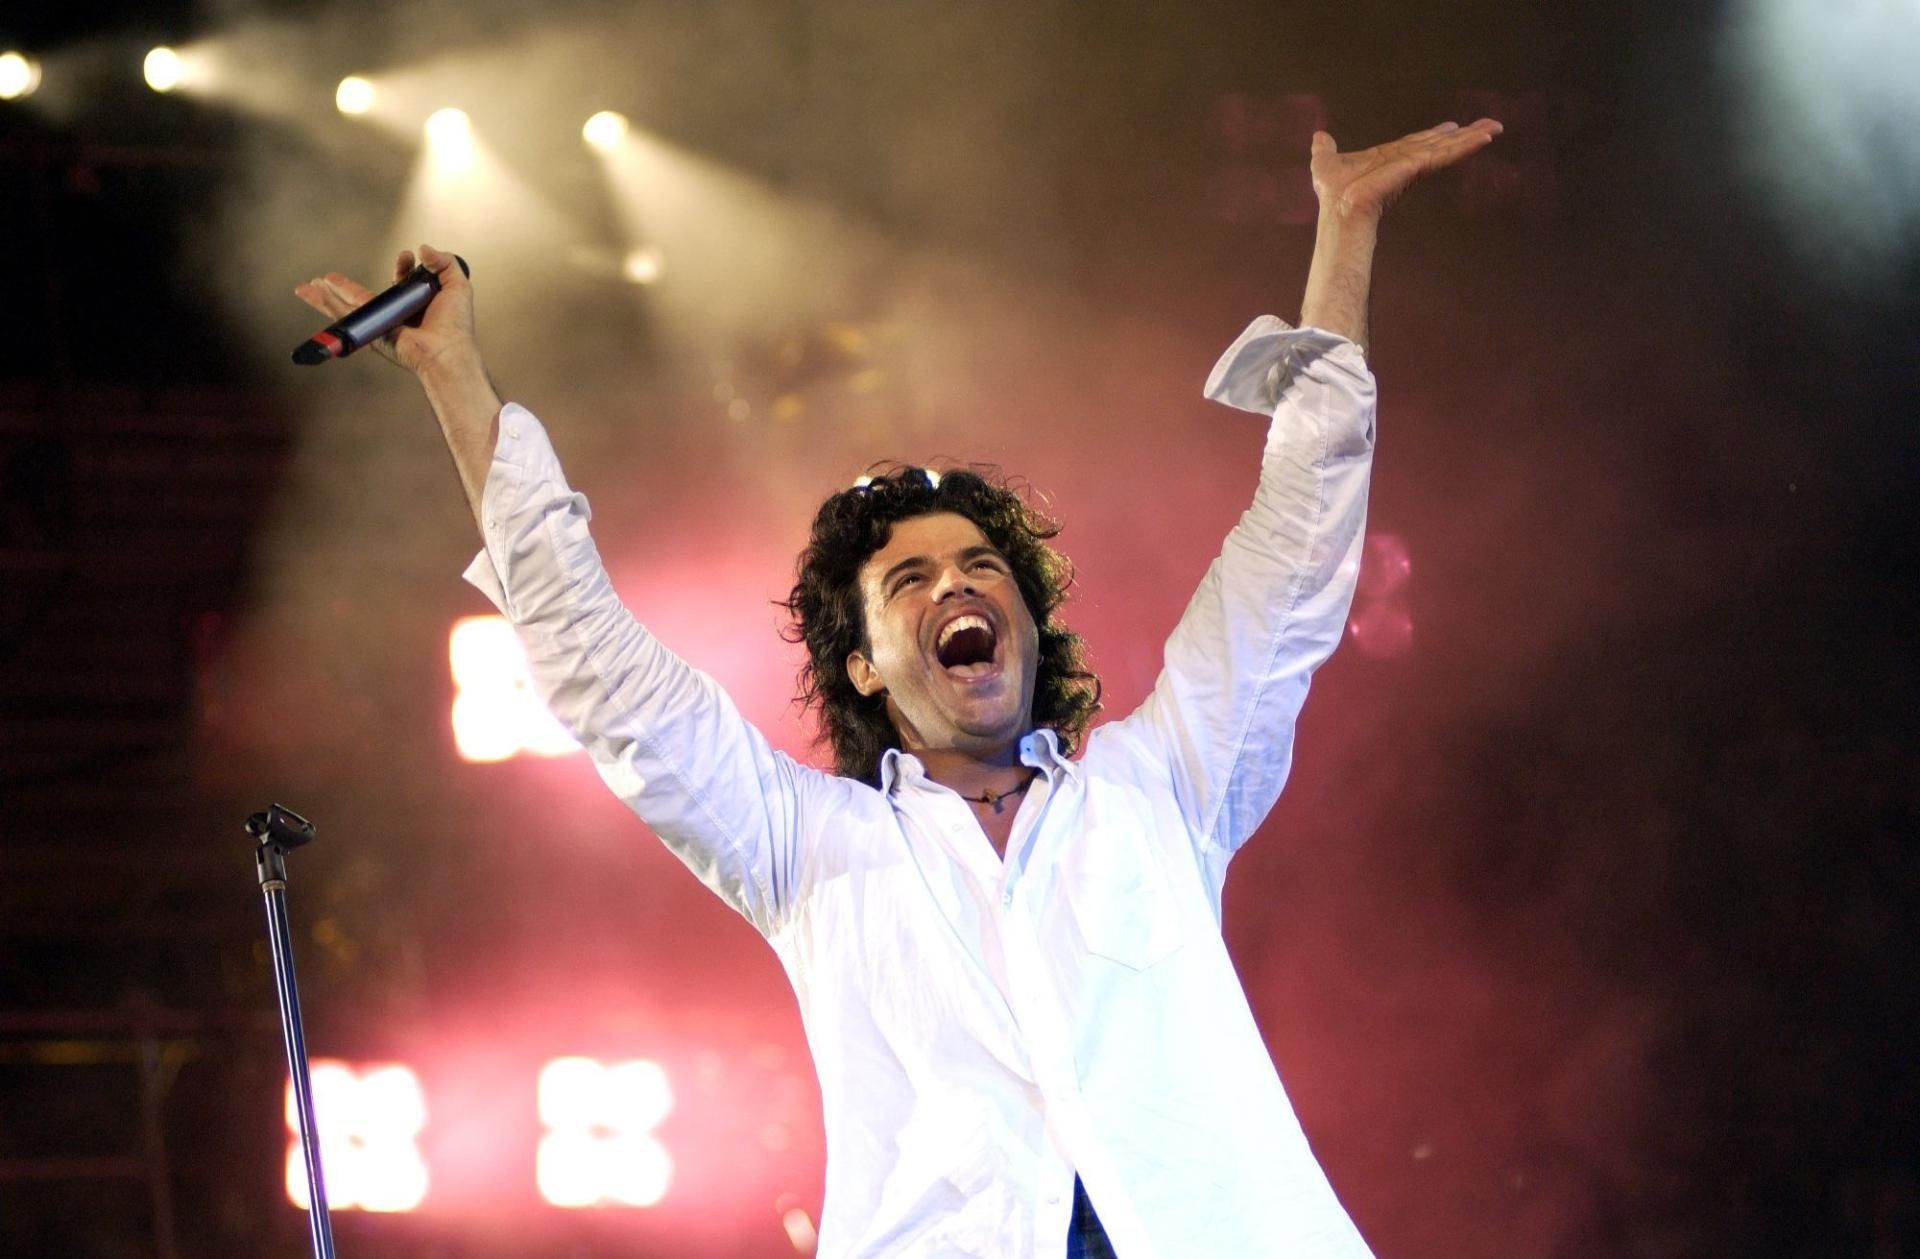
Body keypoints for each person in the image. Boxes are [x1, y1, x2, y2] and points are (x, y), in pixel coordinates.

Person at [297, 117, 1502, 1258]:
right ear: (864, 664)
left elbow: (1292, 559)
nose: (956, 584)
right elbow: (599, 671)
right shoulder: (811, 849)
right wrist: (456, 380)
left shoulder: (1161, 787)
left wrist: (1345, 237)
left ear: (1028, 622)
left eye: (981, 567)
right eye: (911, 579)